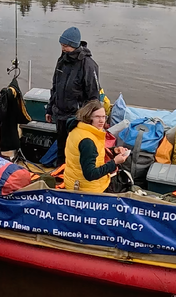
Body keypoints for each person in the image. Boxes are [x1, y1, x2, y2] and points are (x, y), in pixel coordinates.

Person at [46, 26, 104, 161]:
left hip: (76, 118)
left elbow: (93, 98)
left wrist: (87, 120)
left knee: (74, 152)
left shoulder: (89, 65)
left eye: (65, 46)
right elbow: (55, 87)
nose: (63, 48)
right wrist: (49, 109)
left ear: (74, 45)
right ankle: (60, 171)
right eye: (61, 45)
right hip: (60, 115)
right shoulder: (62, 60)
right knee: (61, 149)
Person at [65, 101, 130, 194]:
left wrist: (113, 151)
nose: (102, 121)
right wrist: (114, 162)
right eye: (97, 117)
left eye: (104, 117)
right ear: (88, 117)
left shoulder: (78, 129)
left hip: (75, 182)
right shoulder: (88, 141)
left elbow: (91, 154)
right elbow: (90, 174)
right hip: (88, 190)